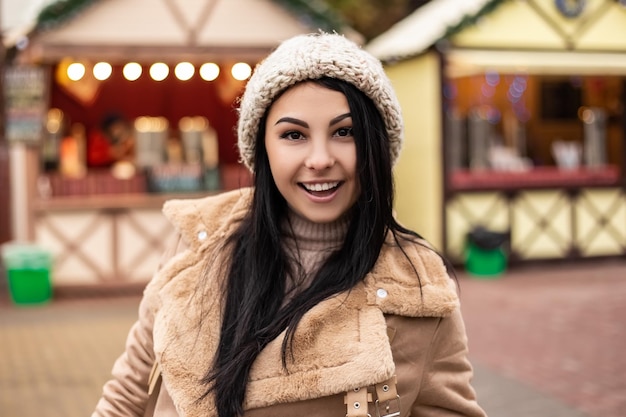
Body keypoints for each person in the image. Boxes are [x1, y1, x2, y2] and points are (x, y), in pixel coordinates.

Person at [93, 32, 487, 417]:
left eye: (344, 132)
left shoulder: (420, 290)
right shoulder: (197, 240)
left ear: (376, 145)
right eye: (294, 134)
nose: (319, 159)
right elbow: (127, 395)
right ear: (263, 147)